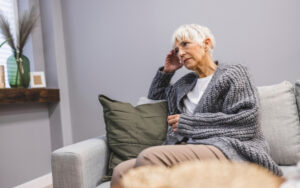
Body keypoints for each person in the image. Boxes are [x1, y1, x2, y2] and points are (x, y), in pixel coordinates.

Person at [110, 24, 282, 188]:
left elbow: (246, 122)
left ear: (206, 44)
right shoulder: (184, 84)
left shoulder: (234, 73)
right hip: (188, 148)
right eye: (177, 50)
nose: (181, 53)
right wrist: (168, 71)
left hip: (229, 148)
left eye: (185, 44)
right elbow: (155, 97)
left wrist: (189, 123)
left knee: (149, 158)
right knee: (120, 173)